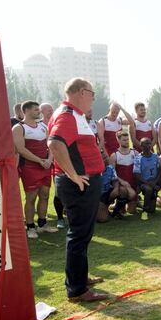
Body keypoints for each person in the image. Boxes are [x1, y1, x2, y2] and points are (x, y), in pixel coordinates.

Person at [47, 78, 109, 303]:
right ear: (82, 92)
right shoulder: (67, 115)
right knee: (79, 235)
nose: (93, 98)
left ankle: (80, 279)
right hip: (79, 184)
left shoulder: (74, 115)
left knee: (82, 234)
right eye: (92, 93)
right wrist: (73, 174)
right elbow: (55, 143)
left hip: (83, 182)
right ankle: (77, 289)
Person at [13, 100, 56, 239]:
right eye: (36, 110)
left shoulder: (43, 126)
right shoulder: (18, 128)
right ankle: (30, 227)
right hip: (29, 167)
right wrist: (39, 161)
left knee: (45, 195)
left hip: (45, 165)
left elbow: (51, 145)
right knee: (31, 197)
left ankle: (42, 224)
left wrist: (49, 160)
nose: (39, 112)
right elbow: (21, 149)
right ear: (26, 111)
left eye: (39, 109)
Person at [111, 131, 139, 215]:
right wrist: (122, 182)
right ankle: (117, 206)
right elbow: (112, 174)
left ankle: (117, 204)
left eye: (127, 139)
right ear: (118, 141)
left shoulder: (135, 153)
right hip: (122, 185)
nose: (126, 142)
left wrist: (138, 184)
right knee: (123, 191)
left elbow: (139, 171)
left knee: (132, 211)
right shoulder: (114, 155)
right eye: (124, 140)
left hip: (133, 184)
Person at [134, 137, 161, 214]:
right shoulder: (138, 158)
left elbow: (159, 171)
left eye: (150, 143)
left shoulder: (156, 156)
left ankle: (157, 198)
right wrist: (150, 184)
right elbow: (137, 175)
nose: (149, 145)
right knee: (149, 189)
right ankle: (144, 210)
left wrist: (155, 182)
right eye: (146, 144)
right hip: (143, 183)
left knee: (152, 211)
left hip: (154, 182)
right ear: (141, 146)